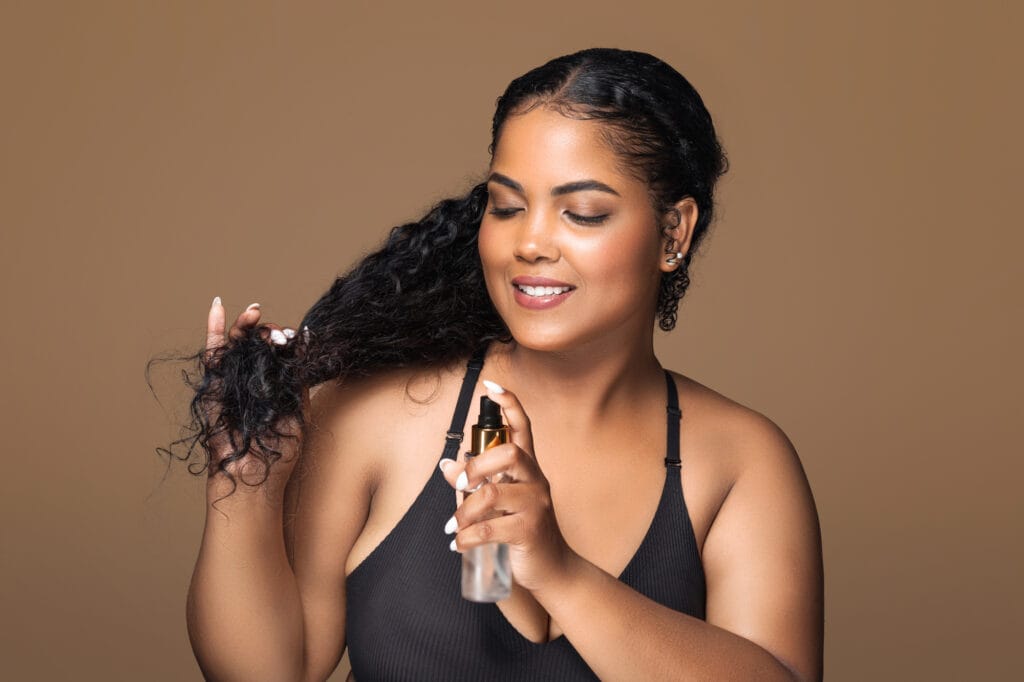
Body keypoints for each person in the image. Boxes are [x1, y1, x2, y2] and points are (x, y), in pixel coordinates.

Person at [183, 47, 824, 681]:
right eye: (507, 206)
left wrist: (557, 570)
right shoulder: (377, 418)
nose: (530, 243)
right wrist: (243, 485)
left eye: (583, 213)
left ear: (674, 234)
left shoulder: (740, 461)